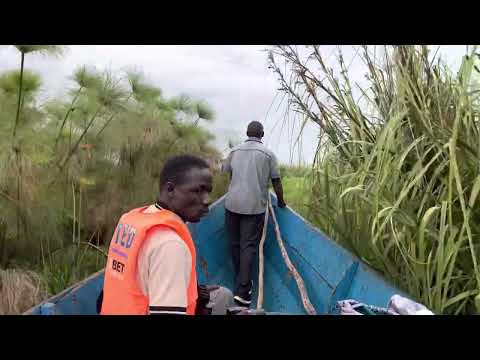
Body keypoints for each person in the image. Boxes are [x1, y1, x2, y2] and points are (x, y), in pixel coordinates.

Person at [100, 154, 234, 315]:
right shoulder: (171, 245)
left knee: (221, 295)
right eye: (198, 191)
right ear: (170, 189)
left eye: (208, 192)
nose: (207, 200)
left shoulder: (132, 221)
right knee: (224, 300)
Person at [222, 121, 286, 307]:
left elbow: (226, 171)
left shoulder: (234, 151)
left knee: (235, 244)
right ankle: (243, 290)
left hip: (231, 205)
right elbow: (276, 182)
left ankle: (239, 279)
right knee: (248, 246)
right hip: (253, 208)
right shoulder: (268, 154)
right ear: (262, 134)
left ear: (247, 132)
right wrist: (280, 201)